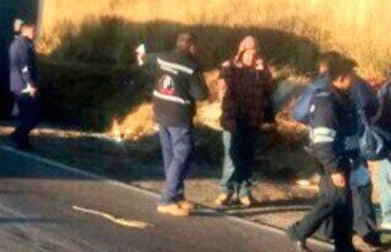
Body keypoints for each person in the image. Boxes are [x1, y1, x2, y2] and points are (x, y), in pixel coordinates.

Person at [288, 54, 360, 252]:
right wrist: (334, 169)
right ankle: (299, 231)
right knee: (334, 201)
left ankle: (343, 246)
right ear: (340, 78)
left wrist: (356, 158)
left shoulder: (344, 98)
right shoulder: (326, 103)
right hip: (331, 159)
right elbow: (322, 141)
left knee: (342, 202)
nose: (354, 79)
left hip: (343, 157)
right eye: (351, 75)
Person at [136, 32, 209, 217]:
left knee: (170, 156)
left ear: (178, 44)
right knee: (183, 154)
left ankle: (177, 195)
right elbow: (201, 94)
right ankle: (167, 200)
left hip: (161, 112)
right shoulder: (191, 66)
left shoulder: (163, 57)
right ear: (192, 46)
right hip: (179, 115)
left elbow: (145, 58)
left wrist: (141, 55)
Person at [215, 36, 275, 208]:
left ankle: (244, 192)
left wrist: (263, 72)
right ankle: (226, 191)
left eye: (255, 54)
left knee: (248, 158)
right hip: (232, 120)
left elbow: (270, 90)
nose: (251, 58)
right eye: (248, 54)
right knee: (231, 157)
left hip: (253, 121)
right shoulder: (229, 68)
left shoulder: (261, 71)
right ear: (241, 53)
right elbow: (223, 88)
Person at [8, 22, 40, 152]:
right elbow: (24, 67)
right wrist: (31, 84)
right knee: (34, 115)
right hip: (24, 85)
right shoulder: (23, 45)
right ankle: (17, 135)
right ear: (25, 31)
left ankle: (22, 141)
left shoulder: (16, 43)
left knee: (26, 115)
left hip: (17, 84)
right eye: (33, 31)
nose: (35, 34)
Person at [373, 73, 391, 232]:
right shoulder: (386, 91)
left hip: (387, 141)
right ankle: (388, 218)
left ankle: (388, 218)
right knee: (386, 179)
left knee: (386, 180)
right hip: (388, 140)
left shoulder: (385, 90)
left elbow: (378, 119)